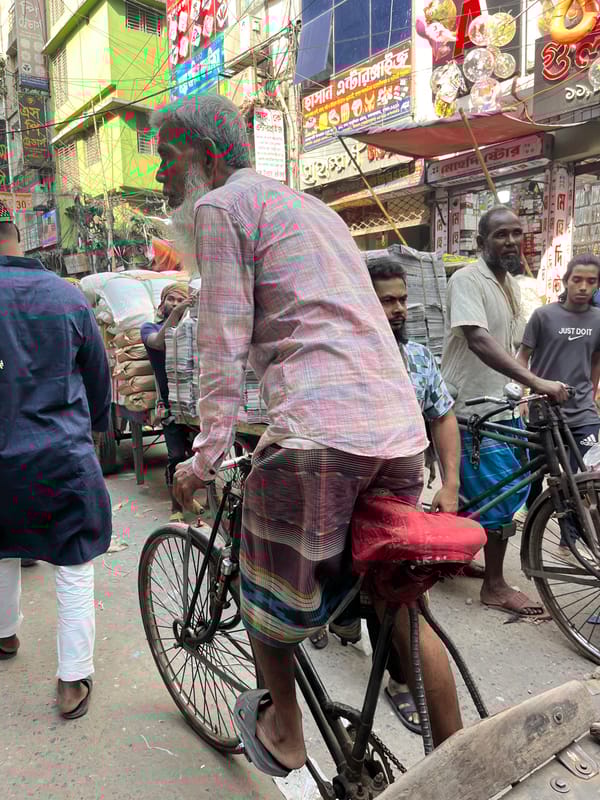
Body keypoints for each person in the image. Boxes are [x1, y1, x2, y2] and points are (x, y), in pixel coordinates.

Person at [155, 94, 463, 775]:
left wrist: (202, 459)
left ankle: (287, 731)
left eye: (165, 161)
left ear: (204, 160)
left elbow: (223, 342)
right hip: (395, 430)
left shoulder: (219, 208)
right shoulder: (311, 208)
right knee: (402, 604)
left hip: (320, 436)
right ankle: (455, 765)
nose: (159, 178)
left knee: (266, 595)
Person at [313, 254, 465, 734]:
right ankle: (340, 622)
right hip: (342, 494)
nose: (399, 309)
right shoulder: (337, 357)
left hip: (395, 499)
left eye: (403, 299)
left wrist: (451, 483)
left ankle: (401, 681)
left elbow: (442, 415)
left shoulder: (416, 357)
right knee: (341, 578)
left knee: (397, 600)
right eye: (387, 301)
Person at [0, 207, 112, 719]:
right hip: (60, 456)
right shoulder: (67, 297)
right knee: (72, 563)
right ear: (18, 240)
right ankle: (72, 681)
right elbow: (98, 379)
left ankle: (3, 636)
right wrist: (95, 431)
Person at [441, 206, 569, 617]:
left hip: (501, 404)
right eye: (501, 235)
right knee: (499, 496)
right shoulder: (466, 280)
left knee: (483, 493)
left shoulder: (509, 283)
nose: (511, 241)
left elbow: (515, 346)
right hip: (469, 408)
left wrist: (524, 386)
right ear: (481, 243)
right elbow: (478, 339)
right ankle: (494, 586)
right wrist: (537, 383)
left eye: (516, 233)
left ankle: (450, 555)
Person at [517, 254, 600, 556]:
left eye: (591, 281)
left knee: (582, 479)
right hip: (542, 410)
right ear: (565, 281)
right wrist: (526, 395)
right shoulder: (543, 316)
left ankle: (570, 539)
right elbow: (523, 357)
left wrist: (592, 395)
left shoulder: (598, 320)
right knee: (539, 474)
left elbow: (595, 361)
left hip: (584, 416)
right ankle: (530, 519)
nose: (583, 286)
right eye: (577, 279)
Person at [141, 282, 200, 522]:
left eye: (179, 300)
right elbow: (159, 343)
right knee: (176, 456)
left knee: (199, 453)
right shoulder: (149, 328)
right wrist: (177, 315)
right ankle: (176, 507)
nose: (174, 304)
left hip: (196, 402)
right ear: (161, 303)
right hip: (169, 405)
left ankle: (194, 496)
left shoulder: (192, 330)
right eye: (171, 300)